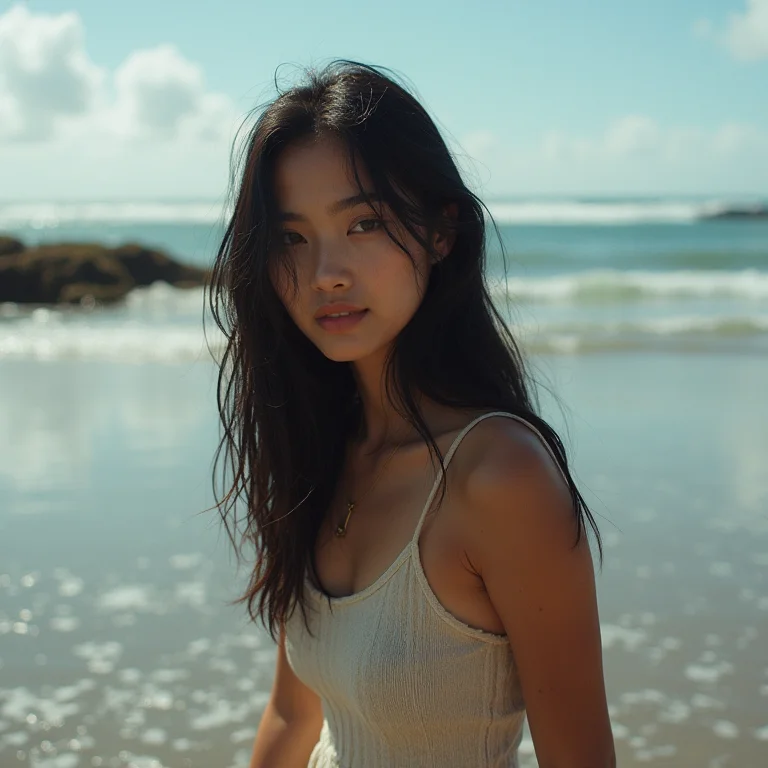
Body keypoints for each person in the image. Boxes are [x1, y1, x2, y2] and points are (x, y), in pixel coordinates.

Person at [208, 59, 615, 768]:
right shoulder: (322, 450)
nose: (326, 273)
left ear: (440, 231)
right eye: (292, 238)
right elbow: (293, 714)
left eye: (363, 222)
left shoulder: (500, 478)